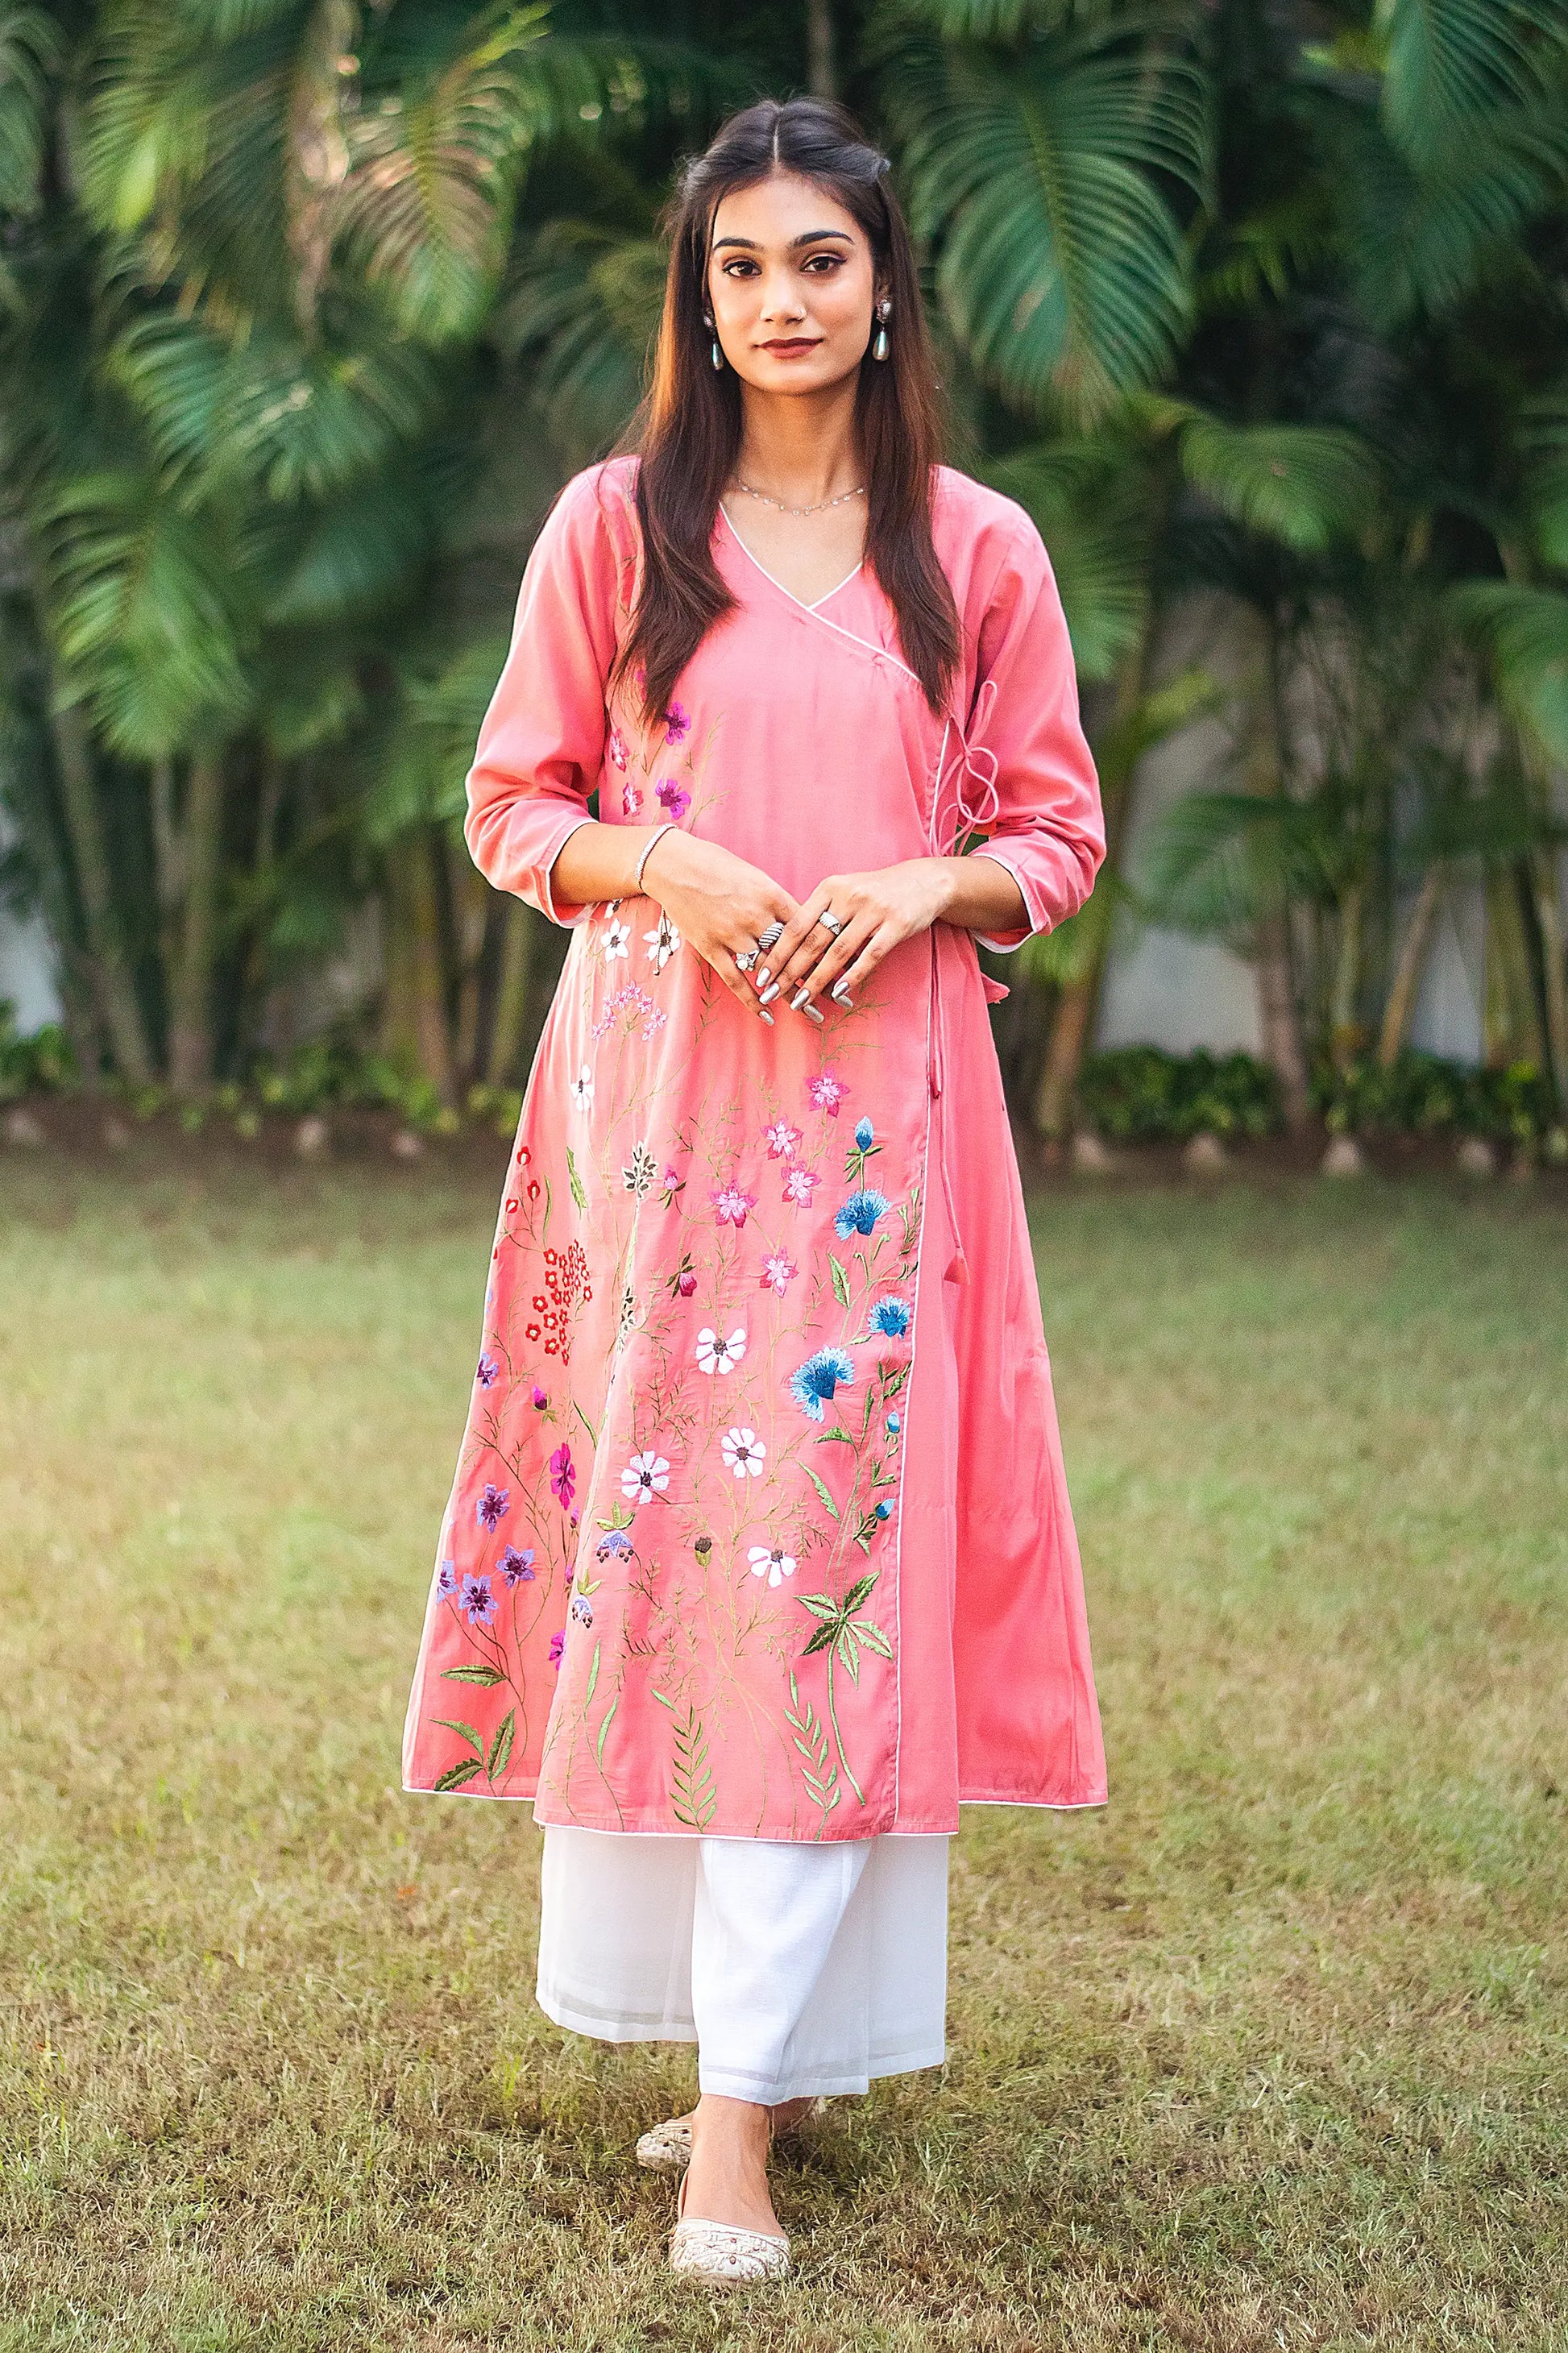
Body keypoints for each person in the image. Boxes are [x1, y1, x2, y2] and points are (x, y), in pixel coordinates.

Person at [402, 93, 1108, 2285]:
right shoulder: (617, 531)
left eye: (818, 260)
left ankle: (736, 2132)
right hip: (657, 1124)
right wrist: (663, 859)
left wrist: (920, 882)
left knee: (815, 1571)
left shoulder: (972, 549)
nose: (779, 300)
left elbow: (1057, 841)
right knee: (681, 1568)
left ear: (885, 286)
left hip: (885, 1149)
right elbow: (512, 806)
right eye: (738, 266)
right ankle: (748, 2043)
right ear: (695, 300)